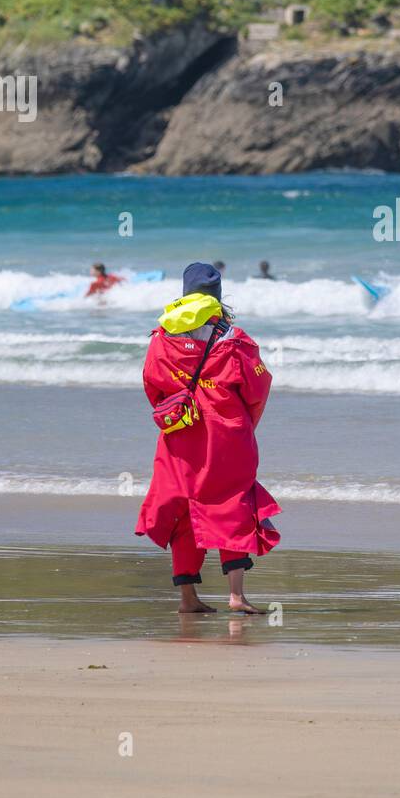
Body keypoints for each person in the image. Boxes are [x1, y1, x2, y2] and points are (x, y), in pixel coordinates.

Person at [136, 261, 281, 614]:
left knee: (184, 510)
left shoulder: (161, 337)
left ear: (186, 294)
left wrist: (177, 410)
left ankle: (188, 599)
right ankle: (236, 596)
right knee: (233, 504)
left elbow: (152, 384)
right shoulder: (235, 339)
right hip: (226, 435)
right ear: (217, 296)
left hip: (179, 436)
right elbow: (258, 389)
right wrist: (245, 424)